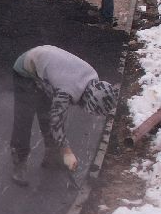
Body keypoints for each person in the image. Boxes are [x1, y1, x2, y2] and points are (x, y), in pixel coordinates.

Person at [9, 44, 118, 186]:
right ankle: (19, 162)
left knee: (45, 112)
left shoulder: (93, 78)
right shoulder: (66, 90)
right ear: (88, 101)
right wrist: (67, 152)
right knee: (24, 117)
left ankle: (52, 156)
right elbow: (57, 121)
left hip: (47, 71)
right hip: (26, 69)